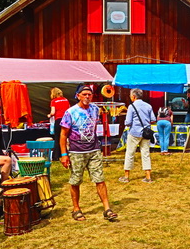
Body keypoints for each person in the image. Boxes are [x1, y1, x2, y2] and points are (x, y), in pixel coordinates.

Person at [60, 85, 118, 222]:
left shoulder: (95, 109)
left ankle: (107, 209)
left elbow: (94, 126)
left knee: (100, 179)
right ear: (78, 96)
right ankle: (76, 209)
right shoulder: (70, 112)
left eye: (89, 94)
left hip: (94, 150)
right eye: (84, 94)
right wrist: (64, 154)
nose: (87, 97)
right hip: (76, 151)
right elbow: (63, 134)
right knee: (76, 181)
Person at [120, 89, 156, 183]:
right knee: (146, 154)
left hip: (134, 132)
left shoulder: (131, 107)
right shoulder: (148, 106)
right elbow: (153, 119)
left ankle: (126, 177)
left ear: (133, 96)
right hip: (146, 133)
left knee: (130, 153)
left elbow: (128, 122)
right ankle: (148, 176)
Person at [48, 87, 71, 161]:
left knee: (57, 138)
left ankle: (56, 156)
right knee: (65, 137)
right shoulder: (66, 100)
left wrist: (49, 115)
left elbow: (53, 112)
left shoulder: (54, 101)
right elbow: (69, 110)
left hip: (58, 120)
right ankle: (66, 154)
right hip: (66, 120)